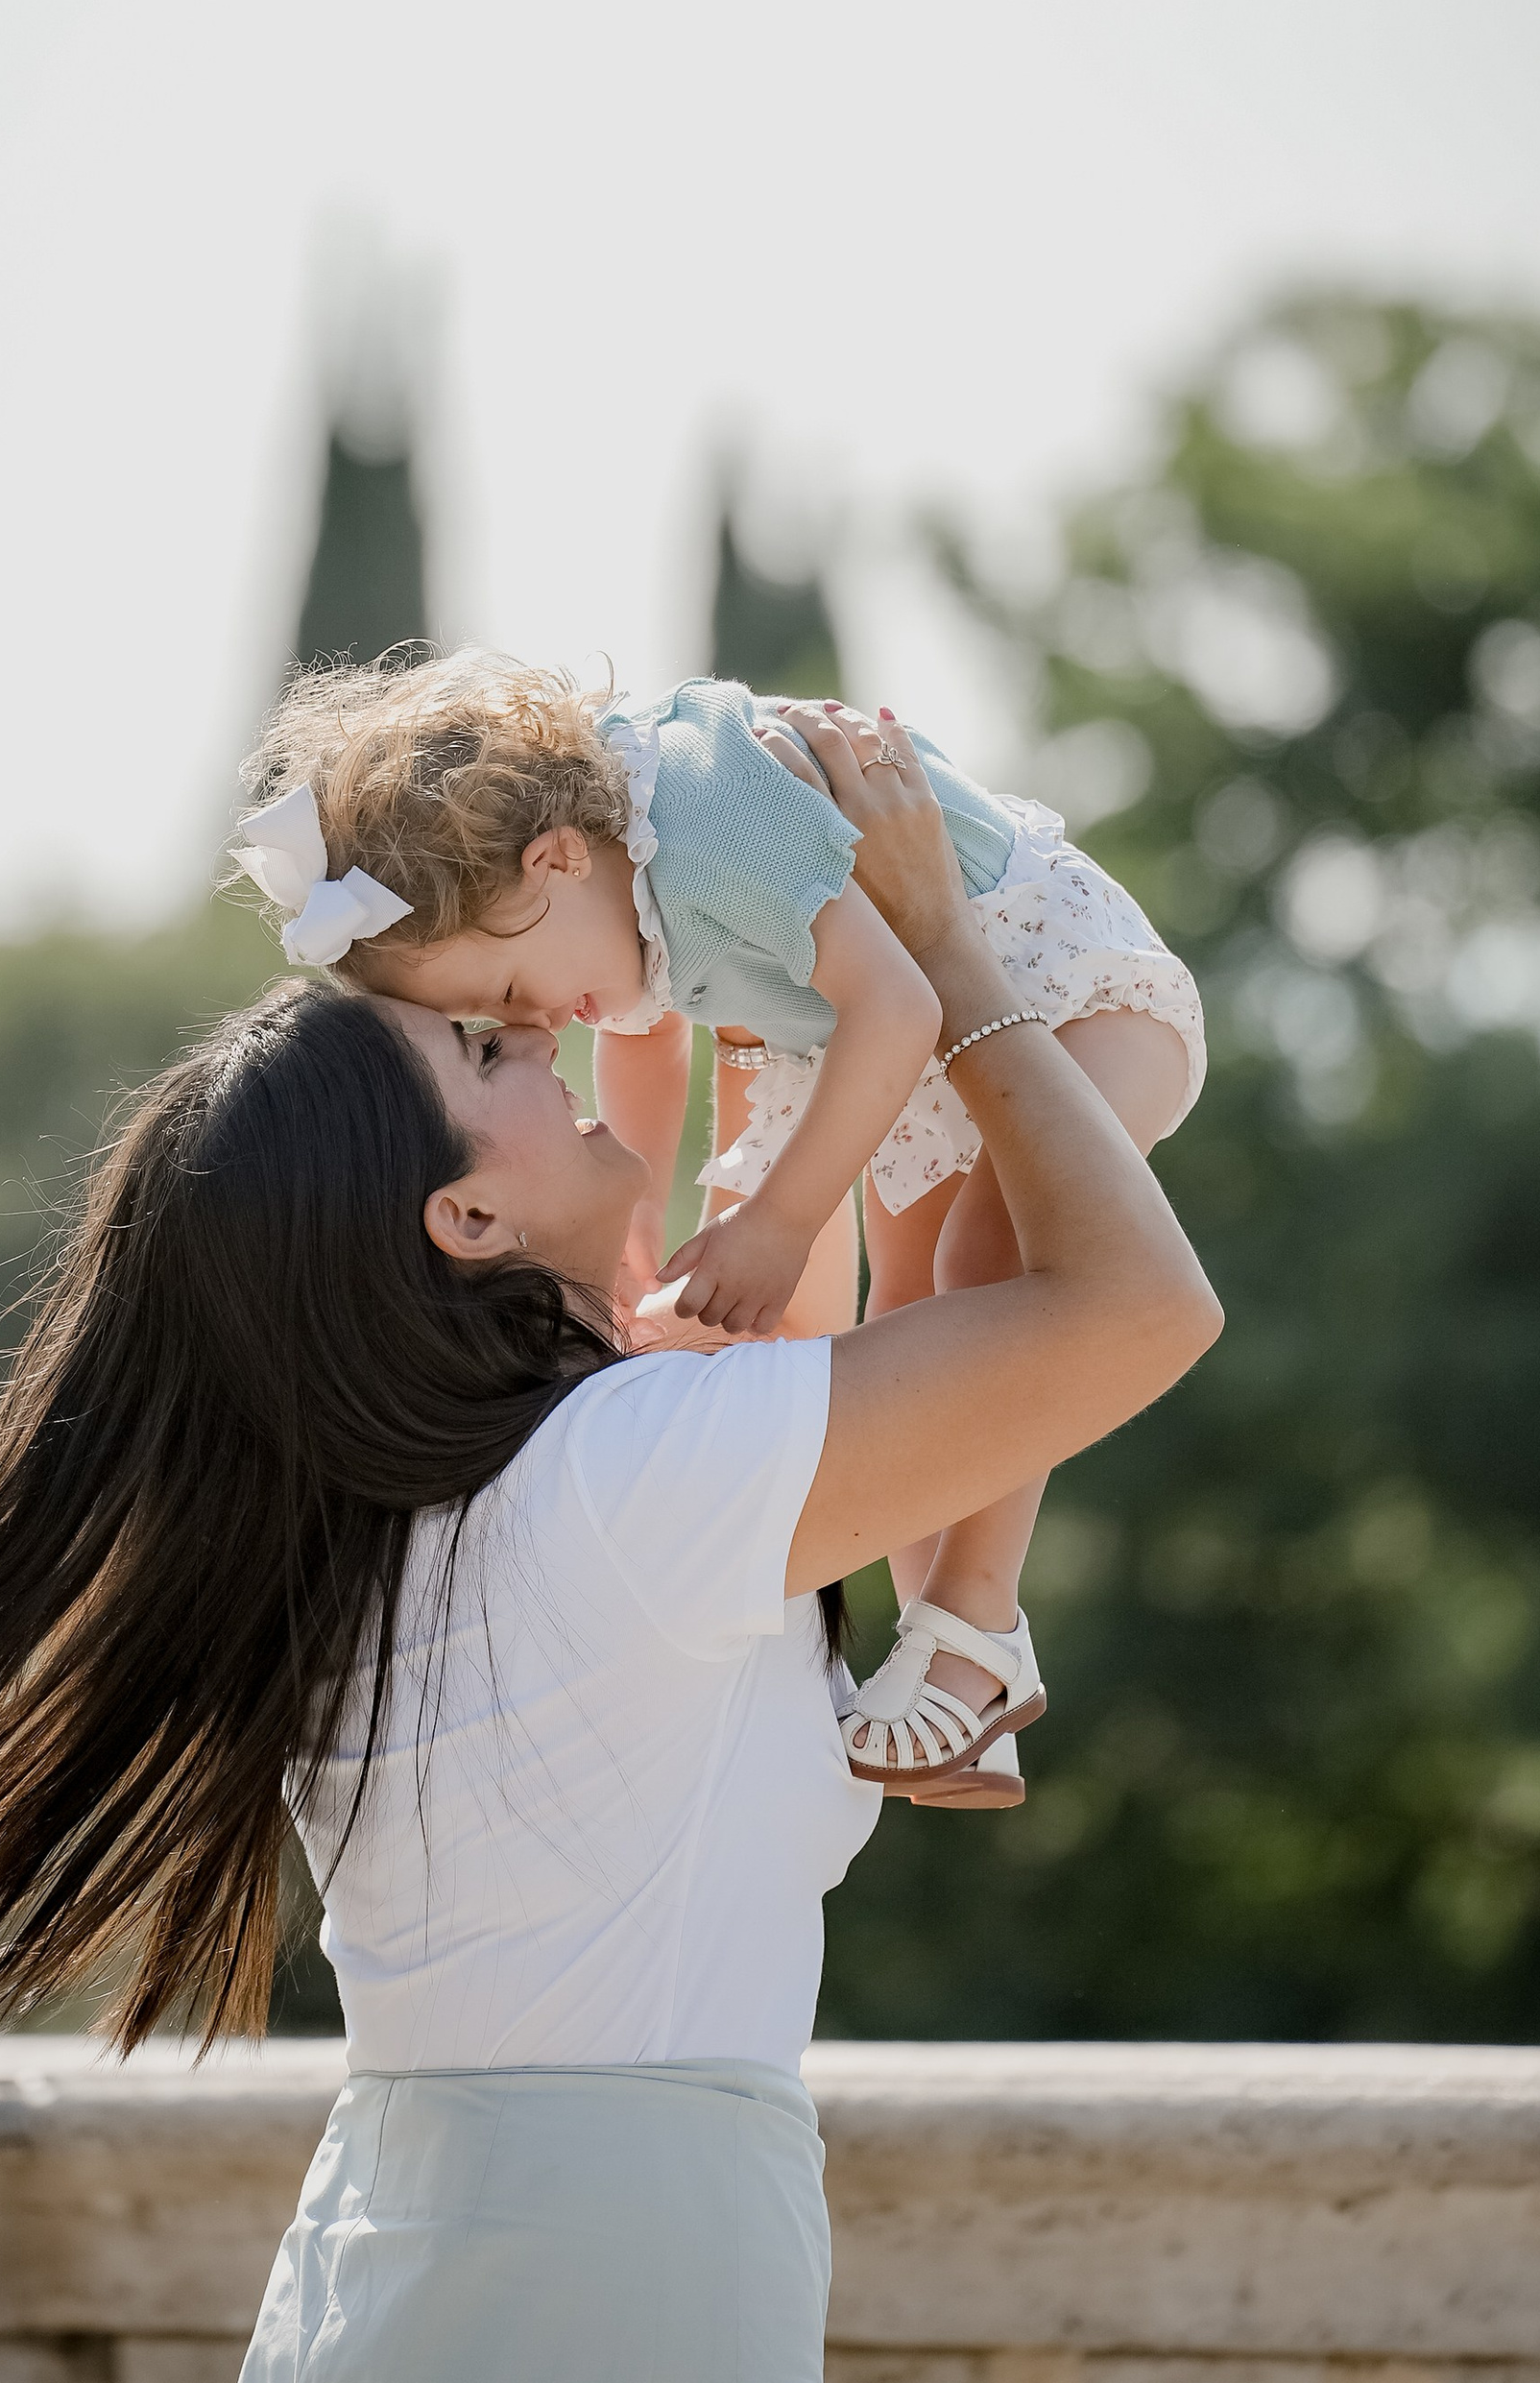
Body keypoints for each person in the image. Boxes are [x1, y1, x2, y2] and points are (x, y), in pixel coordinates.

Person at [0, 711, 1221, 2383]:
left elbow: (861, 1315)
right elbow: (1136, 1312)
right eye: (493, 1053)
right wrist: (946, 962)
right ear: (461, 1222)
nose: (560, 1033)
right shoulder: (623, 1483)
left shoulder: (416, 1518)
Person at [239, 653, 1203, 1799]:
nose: (539, 1027)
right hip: (894, 1048)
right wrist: (635, 1227)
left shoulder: (704, 812)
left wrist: (783, 1223)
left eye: (502, 1002)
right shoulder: (594, 892)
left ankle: (973, 1624)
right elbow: (644, 1039)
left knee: (976, 1269)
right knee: (910, 1318)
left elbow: (899, 1000)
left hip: (1052, 983)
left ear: (552, 859)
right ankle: (943, 1681)